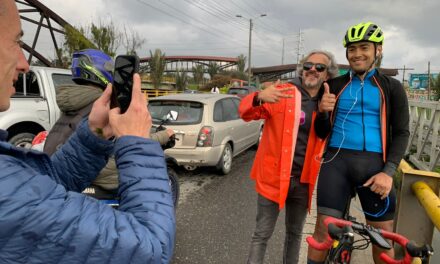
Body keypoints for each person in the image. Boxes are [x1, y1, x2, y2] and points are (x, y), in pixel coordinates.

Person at [0, 1, 175, 263]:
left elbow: (40, 190)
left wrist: (94, 138)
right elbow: (152, 249)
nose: (26, 64)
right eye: (16, 42)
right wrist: (137, 141)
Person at [307, 22, 409, 264]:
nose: (357, 54)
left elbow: (402, 133)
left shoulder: (391, 87)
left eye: (364, 47)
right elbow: (322, 133)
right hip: (336, 165)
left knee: (382, 238)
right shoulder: (335, 86)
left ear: (378, 50)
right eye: (352, 49)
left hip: (375, 170)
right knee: (322, 231)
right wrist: (322, 113)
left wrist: (388, 173)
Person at [239, 50, 339, 264]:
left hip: (303, 182)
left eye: (319, 67)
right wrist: (257, 97)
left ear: (327, 75)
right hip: (272, 179)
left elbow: (324, 134)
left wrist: (323, 112)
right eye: (308, 65)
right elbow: (245, 113)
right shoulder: (282, 92)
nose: (312, 69)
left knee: (294, 235)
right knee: (261, 234)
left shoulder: (328, 101)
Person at [43, 49, 174, 194]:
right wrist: (164, 135)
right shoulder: (103, 104)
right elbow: (132, 141)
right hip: (99, 176)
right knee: (150, 182)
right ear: (101, 71)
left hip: (60, 168)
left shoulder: (72, 101)